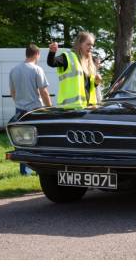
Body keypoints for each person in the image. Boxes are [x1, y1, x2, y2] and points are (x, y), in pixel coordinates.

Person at [9, 43, 52, 175]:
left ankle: (24, 171)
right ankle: (39, 169)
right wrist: (49, 109)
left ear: (26, 54)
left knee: (22, 141)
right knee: (39, 141)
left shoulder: (14, 70)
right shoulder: (37, 69)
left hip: (19, 110)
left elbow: (13, 92)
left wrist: (19, 103)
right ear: (37, 54)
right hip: (35, 111)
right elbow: (44, 91)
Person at [47, 31, 102, 108]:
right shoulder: (68, 57)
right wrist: (52, 52)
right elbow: (52, 63)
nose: (91, 47)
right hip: (71, 109)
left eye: (92, 45)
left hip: (88, 108)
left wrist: (96, 83)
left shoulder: (90, 62)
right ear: (80, 44)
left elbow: (87, 86)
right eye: (88, 44)